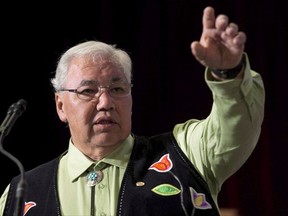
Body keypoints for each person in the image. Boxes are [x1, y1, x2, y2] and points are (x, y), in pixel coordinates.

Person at [0, 6, 265, 216]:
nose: (106, 102)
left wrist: (227, 74)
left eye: (117, 89)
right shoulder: (22, 192)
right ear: (60, 105)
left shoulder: (186, 154)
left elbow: (236, 130)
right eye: (88, 91)